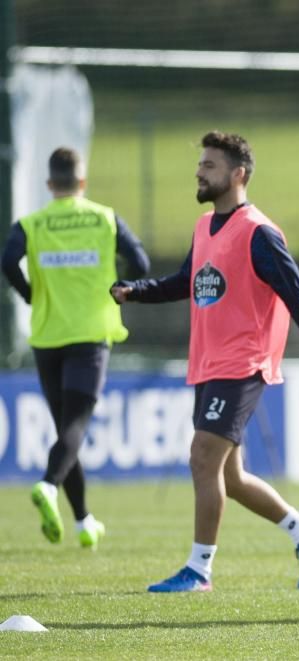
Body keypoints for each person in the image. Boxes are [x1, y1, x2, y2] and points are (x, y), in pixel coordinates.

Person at [110, 131, 299, 592]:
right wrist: (136, 291)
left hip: (243, 362)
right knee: (230, 476)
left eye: (210, 165)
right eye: (200, 164)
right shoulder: (205, 226)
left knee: (202, 458)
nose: (199, 172)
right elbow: (188, 280)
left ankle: (199, 570)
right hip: (209, 362)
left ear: (238, 174)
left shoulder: (259, 233)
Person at [1, 147, 150, 550]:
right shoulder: (103, 218)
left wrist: (31, 293)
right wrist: (116, 281)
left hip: (48, 336)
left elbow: (7, 260)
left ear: (51, 184)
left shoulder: (31, 224)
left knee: (66, 429)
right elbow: (140, 264)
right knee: (75, 427)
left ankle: (84, 521)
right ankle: (48, 486)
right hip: (90, 334)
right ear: (82, 182)